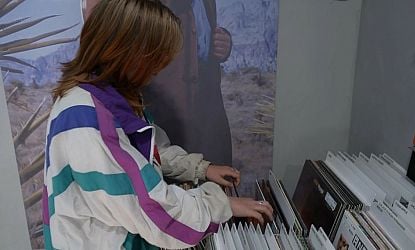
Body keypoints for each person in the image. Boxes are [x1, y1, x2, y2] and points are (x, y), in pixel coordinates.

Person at [43, 1, 272, 249]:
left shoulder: (111, 96)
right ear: (127, 52)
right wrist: (222, 205)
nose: (158, 70)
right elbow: (155, 213)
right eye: (156, 58)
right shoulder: (85, 118)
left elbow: (146, 152)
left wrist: (200, 168)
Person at [142, 0, 233, 166]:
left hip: (208, 120)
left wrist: (222, 44)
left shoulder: (207, 2)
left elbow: (201, 44)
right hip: (166, 123)